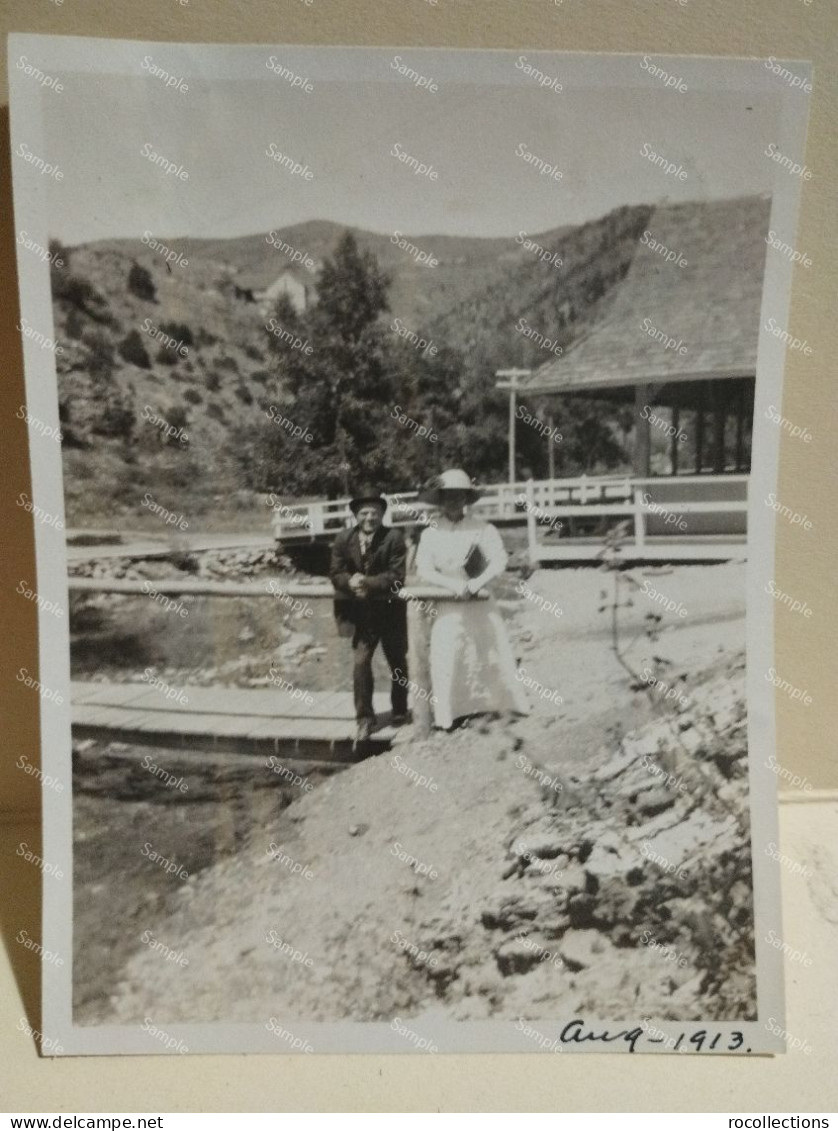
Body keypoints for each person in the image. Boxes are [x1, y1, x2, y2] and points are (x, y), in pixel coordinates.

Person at [415, 468, 529, 730]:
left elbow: (499, 559)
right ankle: (449, 714)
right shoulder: (430, 533)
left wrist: (476, 583)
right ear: (440, 500)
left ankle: (495, 705)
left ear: (467, 499)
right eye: (448, 496)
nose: (453, 502)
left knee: (488, 648)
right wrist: (453, 585)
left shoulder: (483, 528)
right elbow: (424, 569)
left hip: (479, 600)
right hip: (448, 599)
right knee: (447, 652)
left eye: (459, 496)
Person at [329, 488, 409, 745]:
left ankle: (399, 709)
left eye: (375, 512)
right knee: (361, 663)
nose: (369, 518)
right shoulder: (343, 539)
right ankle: (364, 719)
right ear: (355, 515)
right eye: (364, 513)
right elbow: (335, 573)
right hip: (362, 615)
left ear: (383, 514)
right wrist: (349, 581)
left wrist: (368, 582)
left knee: (397, 660)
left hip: (390, 611)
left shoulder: (394, 537)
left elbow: (397, 576)